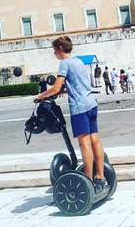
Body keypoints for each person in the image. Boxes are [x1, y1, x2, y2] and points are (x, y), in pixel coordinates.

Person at [35, 36, 107, 191]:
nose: (54, 54)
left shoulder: (64, 63)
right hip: (91, 104)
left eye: (54, 50)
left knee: (84, 144)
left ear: (60, 49)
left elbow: (55, 87)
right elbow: (74, 86)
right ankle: (100, 176)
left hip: (79, 108)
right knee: (96, 141)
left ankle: (88, 181)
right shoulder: (79, 61)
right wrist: (58, 92)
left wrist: (40, 96)